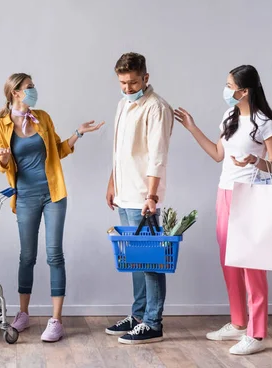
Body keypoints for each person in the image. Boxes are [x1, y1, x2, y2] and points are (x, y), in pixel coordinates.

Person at [174, 64, 272, 355]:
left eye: (229, 85)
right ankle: (238, 323)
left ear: (244, 90)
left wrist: (254, 160)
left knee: (253, 267)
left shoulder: (267, 123)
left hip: (250, 195)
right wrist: (192, 127)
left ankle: (257, 333)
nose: (225, 90)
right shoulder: (230, 115)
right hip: (224, 193)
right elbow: (217, 154)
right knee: (229, 262)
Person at [0, 73, 103, 342]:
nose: (34, 91)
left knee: (54, 254)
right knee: (27, 256)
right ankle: (24, 314)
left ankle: (56, 320)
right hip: (26, 197)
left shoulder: (42, 117)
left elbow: (59, 150)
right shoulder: (0, 125)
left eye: (33, 87)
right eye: (29, 88)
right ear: (15, 93)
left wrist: (78, 133)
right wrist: (5, 159)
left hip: (53, 194)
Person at [105, 52, 174, 344]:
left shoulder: (156, 108)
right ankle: (138, 315)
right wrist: (112, 183)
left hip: (143, 197)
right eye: (122, 83)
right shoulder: (123, 104)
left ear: (145, 78)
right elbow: (121, 151)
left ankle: (153, 322)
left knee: (150, 262)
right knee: (135, 261)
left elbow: (157, 156)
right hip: (125, 193)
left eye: (132, 82)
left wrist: (152, 196)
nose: (127, 88)